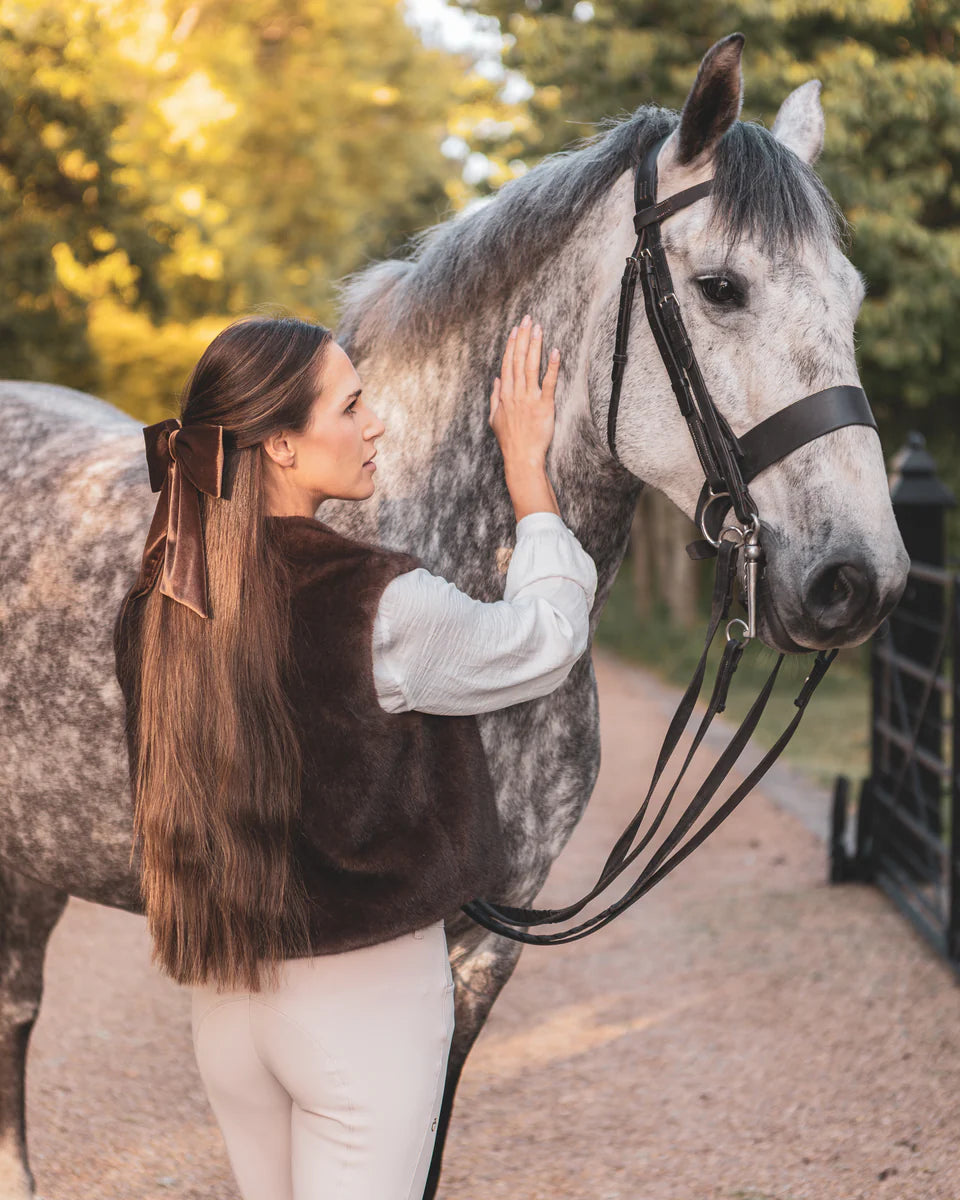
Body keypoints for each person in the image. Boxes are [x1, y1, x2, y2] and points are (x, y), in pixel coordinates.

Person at [112, 311, 598, 1200]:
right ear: (284, 448)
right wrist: (530, 480)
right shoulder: (382, 602)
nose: (376, 423)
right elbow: (545, 638)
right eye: (352, 405)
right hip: (363, 1006)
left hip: (229, 1007)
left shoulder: (157, 607)